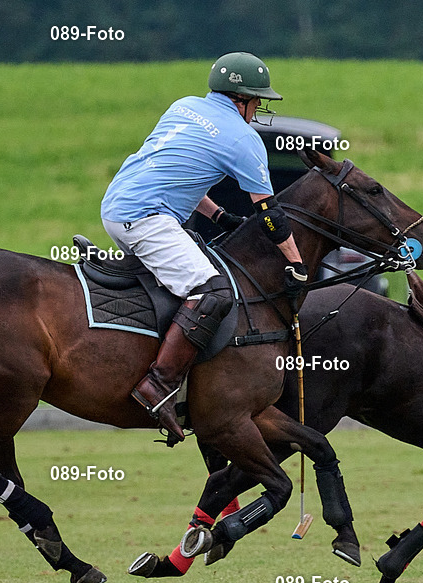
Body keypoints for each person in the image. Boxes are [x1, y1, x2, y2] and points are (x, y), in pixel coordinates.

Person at [101, 52, 308, 442]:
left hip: (116, 205)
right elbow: (269, 212)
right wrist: (296, 263)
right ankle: (158, 385)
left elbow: (177, 174)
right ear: (241, 99)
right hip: (146, 218)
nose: (258, 108)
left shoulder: (185, 106)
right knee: (212, 291)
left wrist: (217, 217)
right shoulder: (244, 138)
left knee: (193, 272)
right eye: (257, 100)